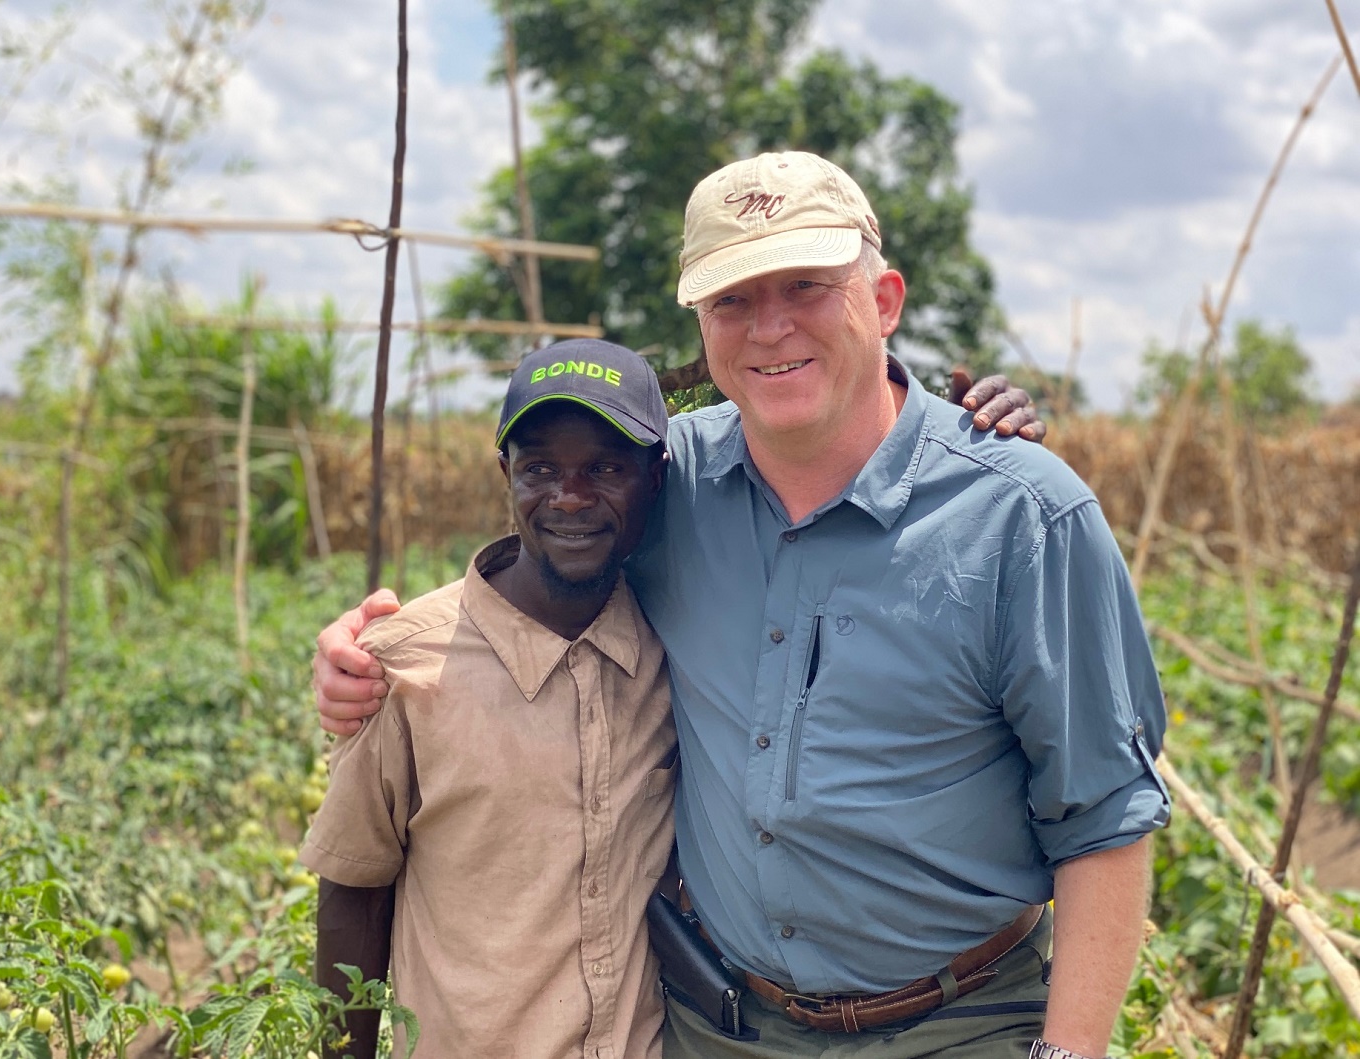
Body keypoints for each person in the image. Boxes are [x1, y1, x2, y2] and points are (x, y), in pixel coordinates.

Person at [319, 151, 1165, 1059]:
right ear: (701, 321)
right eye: (731, 300)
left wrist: (1067, 1051)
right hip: (720, 1020)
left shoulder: (1021, 516)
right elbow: (548, 537)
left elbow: (1104, 815)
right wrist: (383, 649)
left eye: (806, 284)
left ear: (883, 301)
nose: (769, 327)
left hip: (960, 1021)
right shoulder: (664, 479)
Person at [300, 339, 679, 1059]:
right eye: (540, 468)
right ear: (506, 473)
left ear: (654, 477)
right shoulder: (408, 667)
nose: (570, 496)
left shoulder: (676, 640)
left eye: (604, 467)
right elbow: (353, 889)